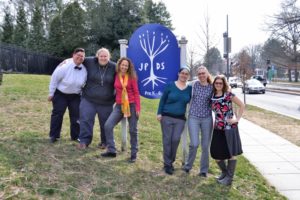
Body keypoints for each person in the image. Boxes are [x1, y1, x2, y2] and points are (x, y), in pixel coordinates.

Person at [101, 57, 140, 162]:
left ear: (128, 67)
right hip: (119, 106)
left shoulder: (132, 77)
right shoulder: (116, 75)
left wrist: (138, 108)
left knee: (133, 130)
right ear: (119, 65)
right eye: (122, 65)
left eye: (126, 65)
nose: (124, 67)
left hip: (131, 105)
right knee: (108, 125)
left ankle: (133, 154)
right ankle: (112, 150)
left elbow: (136, 93)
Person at [77, 48, 116, 149]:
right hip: (88, 99)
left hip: (106, 102)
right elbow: (77, 59)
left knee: (106, 123)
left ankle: (105, 142)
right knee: (86, 120)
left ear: (109, 57)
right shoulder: (90, 61)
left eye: (105, 56)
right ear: (97, 56)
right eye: (101, 56)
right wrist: (65, 62)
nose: (103, 58)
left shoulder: (114, 67)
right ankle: (84, 141)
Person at [210, 75, 244, 186]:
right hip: (218, 127)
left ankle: (229, 178)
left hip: (229, 128)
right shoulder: (212, 96)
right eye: (216, 83)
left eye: (221, 83)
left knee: (231, 152)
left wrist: (237, 119)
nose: (218, 85)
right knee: (215, 152)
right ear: (214, 84)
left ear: (224, 84)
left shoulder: (228, 95)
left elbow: (242, 105)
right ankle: (225, 173)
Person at [157, 67, 192, 175]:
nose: (184, 75)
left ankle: (170, 160)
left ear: (188, 76)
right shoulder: (170, 85)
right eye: (182, 73)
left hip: (180, 119)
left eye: (186, 74)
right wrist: (159, 113)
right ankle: (168, 164)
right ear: (178, 74)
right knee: (167, 140)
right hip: (166, 117)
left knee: (175, 140)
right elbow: (162, 100)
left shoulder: (189, 89)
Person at [48, 48, 87, 143]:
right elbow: (54, 78)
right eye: (78, 55)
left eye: (82, 56)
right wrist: (51, 93)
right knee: (58, 114)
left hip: (75, 95)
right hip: (61, 94)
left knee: (76, 116)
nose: (80, 57)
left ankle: (75, 136)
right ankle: (54, 135)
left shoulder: (84, 69)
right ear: (73, 55)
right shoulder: (64, 65)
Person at [183, 65, 213, 177]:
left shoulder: (212, 87)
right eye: (199, 73)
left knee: (205, 146)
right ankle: (188, 166)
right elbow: (182, 86)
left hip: (207, 119)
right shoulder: (193, 84)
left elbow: (223, 89)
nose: (201, 75)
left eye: (203, 73)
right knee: (194, 143)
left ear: (207, 74)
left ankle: (203, 170)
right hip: (193, 118)